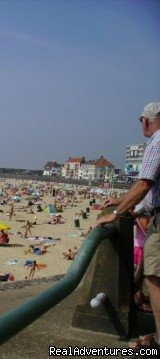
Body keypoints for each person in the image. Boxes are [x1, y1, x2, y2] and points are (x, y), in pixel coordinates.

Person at [95, 102, 160, 352]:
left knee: (154, 279)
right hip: (153, 213)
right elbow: (151, 192)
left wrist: (116, 214)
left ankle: (157, 342)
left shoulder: (156, 141)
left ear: (145, 120)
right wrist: (124, 202)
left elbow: (144, 185)